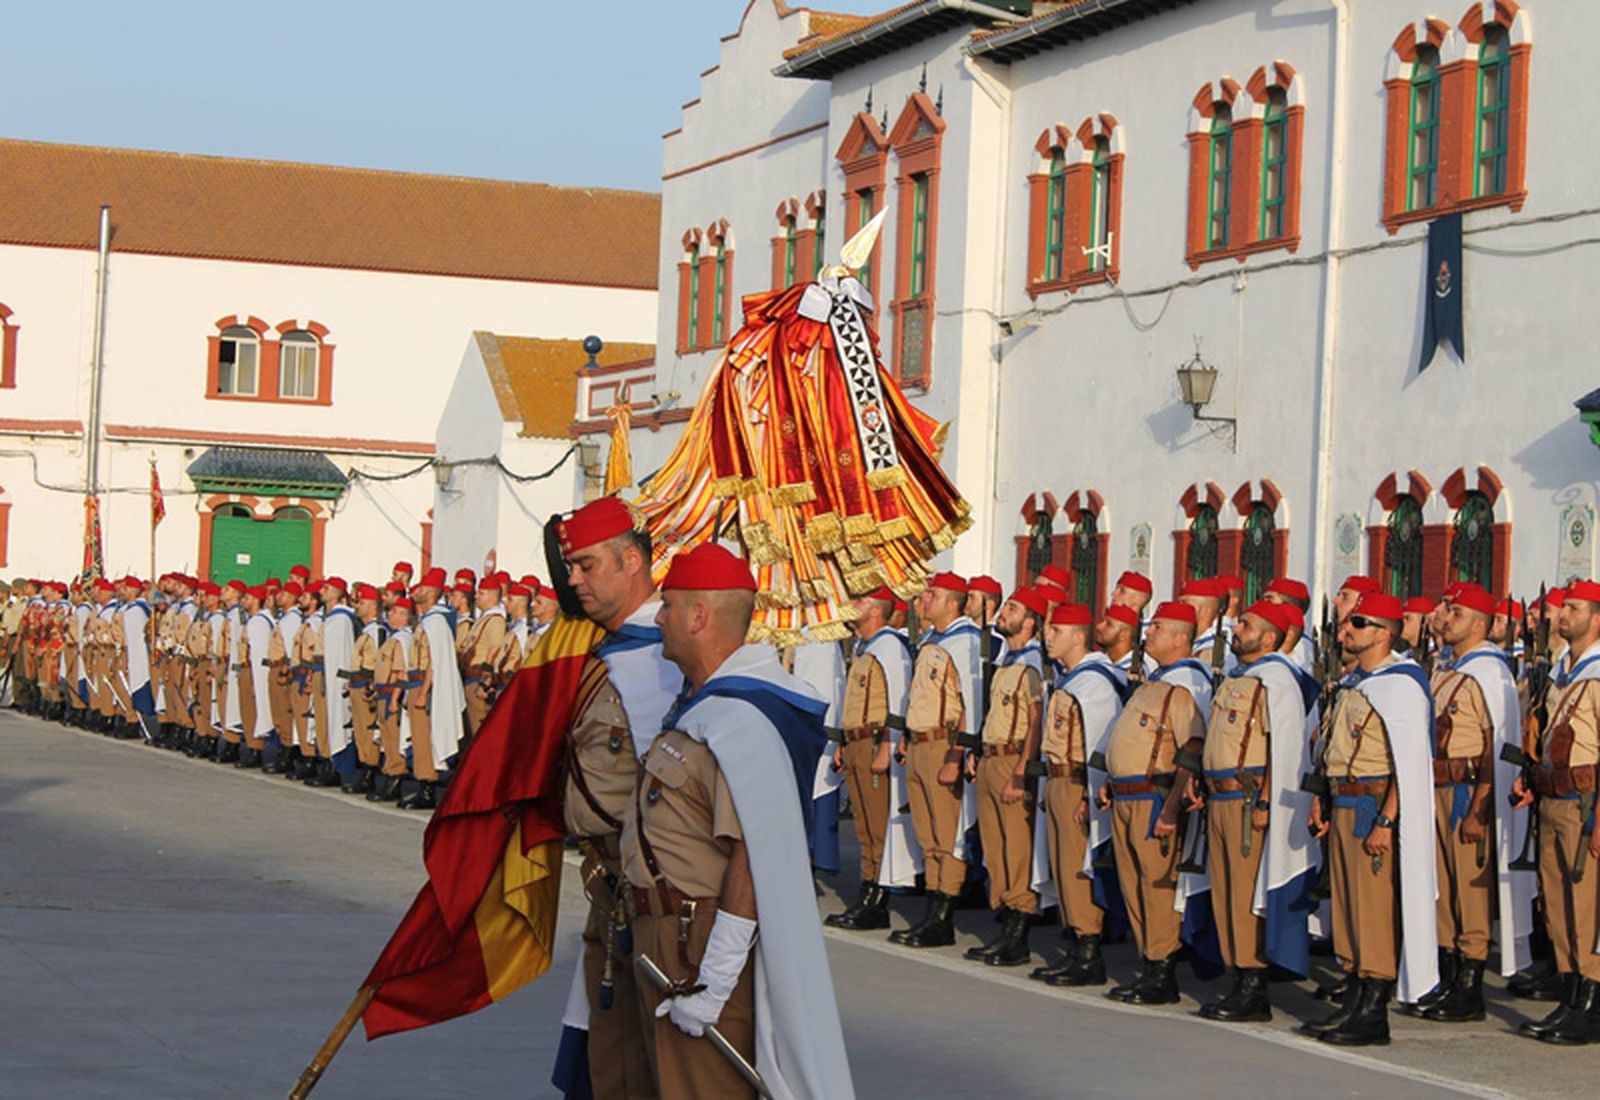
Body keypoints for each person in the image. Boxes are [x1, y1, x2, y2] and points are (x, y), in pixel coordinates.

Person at [625, 541, 852, 1100]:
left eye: (670, 606)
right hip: (665, 937)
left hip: (695, 943)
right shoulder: (707, 707)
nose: (659, 619)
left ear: (700, 616)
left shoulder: (741, 720)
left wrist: (714, 983)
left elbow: (756, 854)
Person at [558, 496, 680, 1100]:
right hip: (607, 882)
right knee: (609, 1051)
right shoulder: (602, 648)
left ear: (631, 560)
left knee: (643, 1059)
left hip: (647, 892)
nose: (574, 580)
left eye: (585, 565)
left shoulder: (661, 658)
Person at [1300, 591, 1438, 1046]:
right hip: (1343, 801)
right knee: (1348, 907)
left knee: (1373, 909)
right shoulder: (1356, 683)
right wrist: (1321, 794)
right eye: (1345, 624)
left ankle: (1373, 1011)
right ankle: (1355, 999)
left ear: (1384, 632)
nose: (1344, 631)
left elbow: (1410, 762)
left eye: (1356, 624)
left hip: (1372, 806)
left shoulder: (1401, 684)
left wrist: (1388, 819)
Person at [1397, 582, 1530, 1025]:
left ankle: (1470, 984)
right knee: (1443, 888)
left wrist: (1480, 808)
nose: (1444, 618)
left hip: (1467, 791)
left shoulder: (1489, 673)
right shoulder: (1446, 668)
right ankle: (1449, 974)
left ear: (1479, 623)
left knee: (1470, 890)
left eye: (1455, 612)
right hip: (1436, 786)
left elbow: (1498, 745)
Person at [1197, 600, 1316, 1023]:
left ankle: (1252, 983)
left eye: (1245, 624)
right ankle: (1237, 975)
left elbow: (1284, 747)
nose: (1236, 628)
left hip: (1249, 803)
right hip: (1220, 797)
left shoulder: (1276, 680)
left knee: (1247, 895)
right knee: (1227, 891)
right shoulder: (1238, 678)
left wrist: (1268, 799)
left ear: (1268, 637)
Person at [1100, 601, 1212, 1004]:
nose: (1148, 632)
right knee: (1133, 883)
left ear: (1181, 638)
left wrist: (1171, 808)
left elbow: (1191, 746)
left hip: (1155, 796)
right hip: (1127, 794)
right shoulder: (1154, 681)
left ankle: (1162, 969)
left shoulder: (1185, 683)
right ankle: (1148, 961)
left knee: (1156, 886)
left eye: (1158, 627)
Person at [1511, 578, 1600, 1044]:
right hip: (1553, 797)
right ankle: (1570, 993)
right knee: (1558, 904)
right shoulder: (1562, 670)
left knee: (1585, 907)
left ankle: (1589, 1001)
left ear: (1597, 618)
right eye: (1563, 606)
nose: (1563, 614)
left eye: (1575, 607)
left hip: (1584, 803)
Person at [1031, 602, 1126, 987]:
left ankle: (1089, 950)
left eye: (1056, 631)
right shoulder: (1070, 678)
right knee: (1062, 864)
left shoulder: (1095, 681)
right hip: (1057, 780)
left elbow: (1099, 744)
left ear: (1078, 636)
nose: (1047, 637)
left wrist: (1090, 793)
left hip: (1076, 783)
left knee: (1077, 865)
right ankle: (1075, 941)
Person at [891, 572, 983, 949]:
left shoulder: (965, 641)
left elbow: (969, 700)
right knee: (927, 833)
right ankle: (932, 906)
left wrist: (957, 752)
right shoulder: (931, 638)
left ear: (953, 602)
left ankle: (943, 913)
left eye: (933, 594)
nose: (925, 599)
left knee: (948, 834)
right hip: (919, 742)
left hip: (944, 743)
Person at [965, 586, 1047, 967]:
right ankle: (1003, 923)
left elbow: (1035, 720)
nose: (1003, 613)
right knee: (995, 846)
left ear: (1029, 622)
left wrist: (1020, 770)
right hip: (992, 757)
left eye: (1012, 608)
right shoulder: (1006, 658)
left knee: (1015, 849)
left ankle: (1018, 931)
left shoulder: (1031, 663)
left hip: (1013, 759)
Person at [827, 588, 912, 932]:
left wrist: (888, 747)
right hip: (858, 740)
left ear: (876, 610)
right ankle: (868, 889)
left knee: (876, 825)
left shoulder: (889, 647)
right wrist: (844, 742)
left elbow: (897, 701)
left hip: (877, 740)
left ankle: (876, 896)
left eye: (860, 601)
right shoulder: (867, 648)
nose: (853, 606)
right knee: (863, 824)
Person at [460, 573, 508, 738]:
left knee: (481, 732)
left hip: (479, 678)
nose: (476, 596)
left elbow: (494, 649)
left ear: (493, 596)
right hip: (470, 678)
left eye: (481, 593)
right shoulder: (485, 618)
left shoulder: (495, 619)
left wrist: (485, 683)